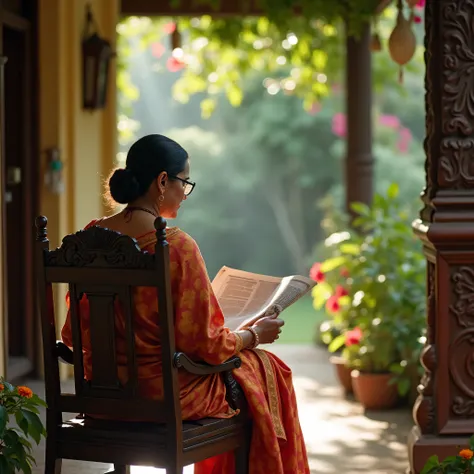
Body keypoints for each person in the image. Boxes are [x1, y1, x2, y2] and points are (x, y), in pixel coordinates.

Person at [61, 134, 310, 474]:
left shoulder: (87, 240)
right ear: (162, 181)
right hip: (167, 397)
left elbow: (72, 335)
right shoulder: (176, 247)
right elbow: (206, 345)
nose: (185, 193)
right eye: (184, 182)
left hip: (102, 399)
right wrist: (253, 336)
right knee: (268, 371)